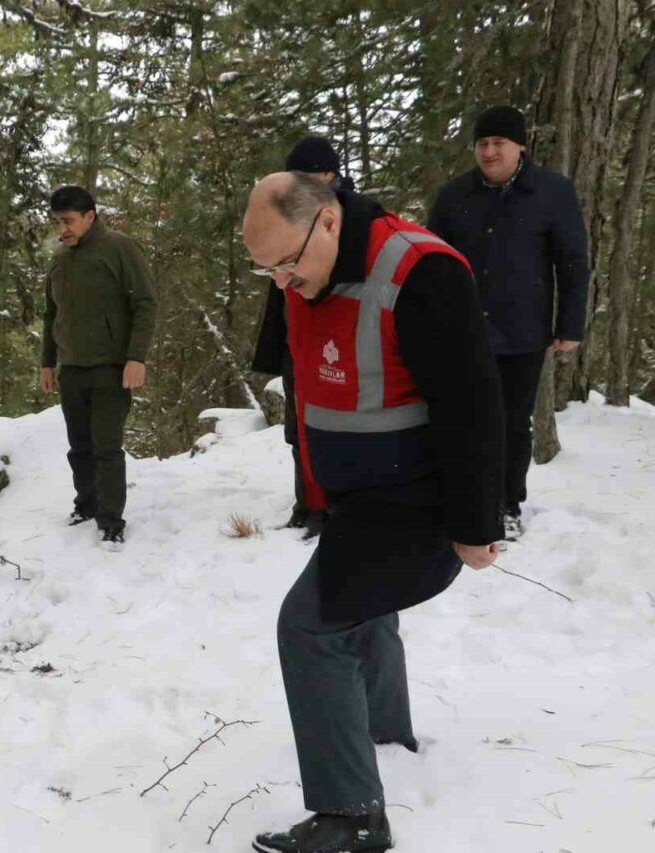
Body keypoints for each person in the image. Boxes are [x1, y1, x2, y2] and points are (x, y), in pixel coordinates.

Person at [241, 173, 504, 853]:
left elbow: (473, 404)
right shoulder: (308, 271)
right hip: (359, 496)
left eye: (286, 263)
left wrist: (476, 524)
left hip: (416, 499)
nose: (280, 282)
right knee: (361, 605)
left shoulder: (419, 270)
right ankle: (387, 738)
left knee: (310, 626)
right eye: (265, 269)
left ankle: (353, 814)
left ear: (327, 221)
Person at [428, 105, 589, 540]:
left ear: (520, 146)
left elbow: (572, 261)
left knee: (513, 423)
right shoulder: (454, 196)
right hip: (463, 332)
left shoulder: (552, 193)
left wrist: (570, 324)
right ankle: (461, 500)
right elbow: (429, 263)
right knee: (463, 419)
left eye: (499, 143)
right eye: (482, 144)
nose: (489, 151)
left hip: (522, 331)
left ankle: (507, 503)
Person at [39, 185, 158, 547]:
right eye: (57, 222)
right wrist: (47, 362)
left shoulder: (120, 249)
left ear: (90, 216)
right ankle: (86, 504)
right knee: (79, 448)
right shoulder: (60, 259)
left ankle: (110, 521)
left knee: (106, 447)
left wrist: (136, 357)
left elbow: (146, 304)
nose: (62, 229)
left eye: (69, 221)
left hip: (111, 367)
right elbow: (51, 313)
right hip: (72, 369)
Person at [251, 136, 353, 540]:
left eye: (311, 177)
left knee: (335, 426)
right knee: (299, 427)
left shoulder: (347, 216)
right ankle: (307, 504)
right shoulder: (287, 214)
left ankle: (335, 506)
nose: (304, 185)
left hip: (337, 339)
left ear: (331, 175)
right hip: (298, 337)